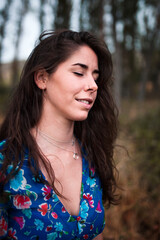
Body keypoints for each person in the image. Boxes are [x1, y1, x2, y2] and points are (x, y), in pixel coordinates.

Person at [0, 30, 119, 240]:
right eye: (79, 73)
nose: (92, 85)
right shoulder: (7, 161)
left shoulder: (92, 153)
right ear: (42, 78)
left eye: (95, 76)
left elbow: (94, 233)